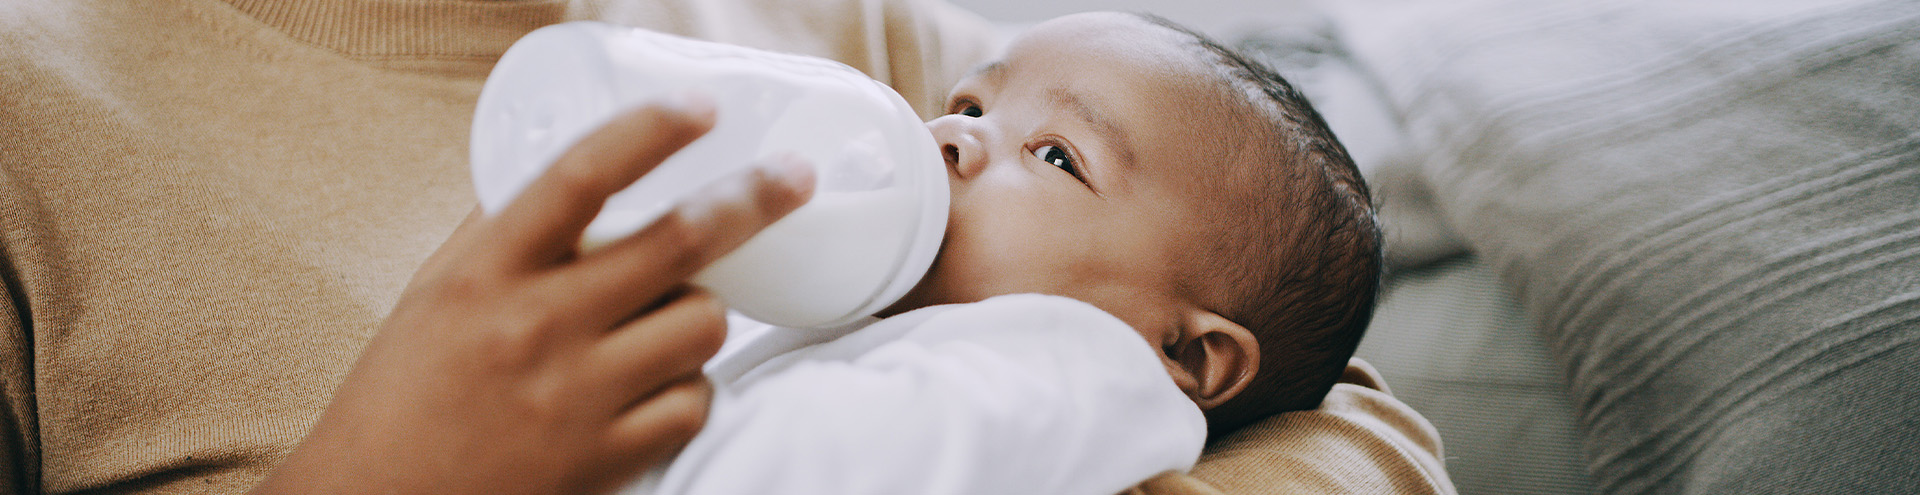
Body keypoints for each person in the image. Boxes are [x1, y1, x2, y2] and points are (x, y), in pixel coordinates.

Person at [0, 1, 1450, 494]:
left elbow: (1331, 390)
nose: (943, 141)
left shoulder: (842, 29)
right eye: (967, 115)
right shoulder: (33, 116)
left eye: (1038, 151)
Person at [625, 11, 1384, 494]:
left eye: (1056, 156)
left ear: (1185, 353)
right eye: (970, 106)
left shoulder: (1076, 369)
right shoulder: (867, 292)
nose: (952, 136)